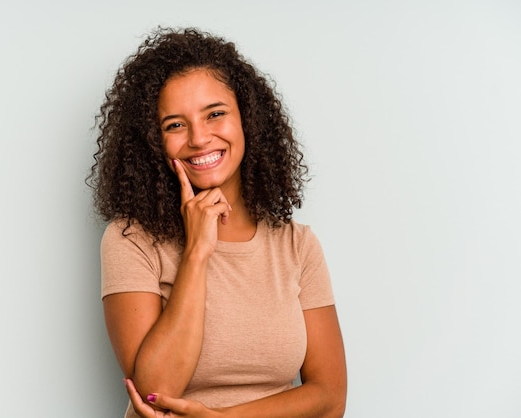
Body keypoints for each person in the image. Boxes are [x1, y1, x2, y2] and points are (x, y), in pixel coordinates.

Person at [89, 27, 347, 418]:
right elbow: (153, 394)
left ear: (248, 119)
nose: (199, 138)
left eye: (215, 114)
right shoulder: (131, 240)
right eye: (175, 124)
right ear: (152, 142)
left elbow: (330, 397)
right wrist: (196, 252)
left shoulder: (297, 245)